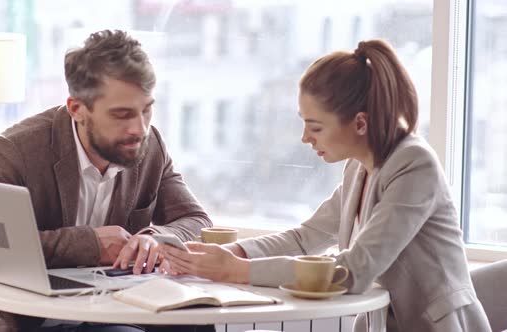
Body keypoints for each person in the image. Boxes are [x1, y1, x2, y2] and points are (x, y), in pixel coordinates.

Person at [161, 39, 492, 332]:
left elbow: (355, 271)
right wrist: (233, 252)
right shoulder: (359, 168)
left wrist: (238, 271)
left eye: (315, 127)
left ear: (360, 123)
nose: (305, 138)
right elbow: (306, 238)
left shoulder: (414, 165)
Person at [0, 29, 213, 332]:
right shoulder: (15, 151)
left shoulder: (149, 145)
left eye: (146, 109)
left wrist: (156, 238)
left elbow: (197, 220)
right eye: (122, 114)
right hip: (29, 319)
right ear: (77, 109)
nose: (139, 128)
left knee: (196, 320)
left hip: (110, 310)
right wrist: (89, 244)